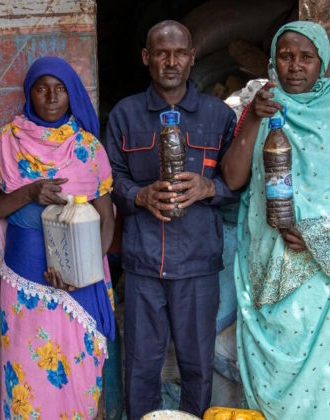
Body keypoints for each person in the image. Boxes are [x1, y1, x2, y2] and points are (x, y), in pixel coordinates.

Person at [220, 21, 330, 419]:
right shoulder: (263, 104)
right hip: (266, 266)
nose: (295, 66)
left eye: (306, 57)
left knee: (325, 387)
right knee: (270, 387)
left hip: (323, 275)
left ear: (322, 62)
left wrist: (319, 235)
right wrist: (254, 120)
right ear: (274, 61)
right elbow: (232, 177)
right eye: (286, 56)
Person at [102, 20, 238, 419]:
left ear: (193, 57)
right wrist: (138, 195)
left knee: (197, 364)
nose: (171, 61)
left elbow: (239, 182)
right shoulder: (126, 114)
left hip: (197, 261)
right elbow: (109, 178)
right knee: (141, 365)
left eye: (180, 53)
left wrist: (208, 188)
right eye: (162, 52)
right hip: (144, 262)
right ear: (147, 58)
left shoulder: (217, 116)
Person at [0, 56, 115, 420]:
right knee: (29, 378)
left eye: (60, 89)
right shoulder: (7, 142)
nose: (51, 97)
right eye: (42, 88)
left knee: (78, 375)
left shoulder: (88, 148)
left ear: (71, 95)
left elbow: (107, 218)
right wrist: (27, 193)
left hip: (80, 284)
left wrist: (84, 272)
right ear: (29, 94)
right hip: (26, 281)